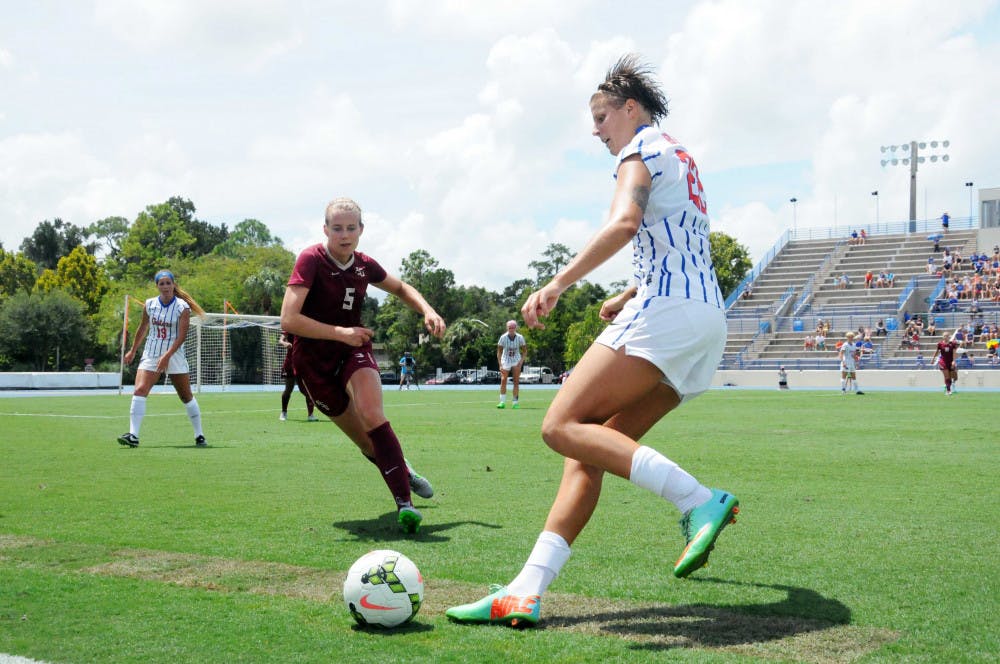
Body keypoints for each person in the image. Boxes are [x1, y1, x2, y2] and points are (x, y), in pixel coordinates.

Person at [446, 55, 739, 628]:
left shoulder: (641, 150)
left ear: (631, 110)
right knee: (588, 451)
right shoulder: (682, 155)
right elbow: (680, 243)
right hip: (705, 322)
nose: (597, 130)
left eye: (603, 116)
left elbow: (625, 223)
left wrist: (557, 283)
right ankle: (525, 591)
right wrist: (630, 291)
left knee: (558, 426)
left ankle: (697, 499)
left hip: (669, 314)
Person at [280, 197, 444, 533]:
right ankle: (405, 471)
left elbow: (400, 288)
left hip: (353, 350)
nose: (344, 234)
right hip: (313, 364)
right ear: (325, 230)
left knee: (373, 415)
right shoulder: (310, 260)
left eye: (351, 228)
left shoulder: (364, 265)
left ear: (361, 230)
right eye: (337, 228)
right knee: (368, 443)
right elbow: (289, 319)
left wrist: (427, 310)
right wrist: (339, 332)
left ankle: (405, 506)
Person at [117, 270, 208, 448]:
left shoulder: (183, 307)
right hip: (151, 353)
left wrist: (166, 356)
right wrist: (133, 350)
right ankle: (133, 435)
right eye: (162, 283)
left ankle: (199, 435)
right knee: (140, 390)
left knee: (186, 396)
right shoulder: (150, 304)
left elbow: (182, 336)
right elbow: (143, 328)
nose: (165, 287)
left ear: (174, 285)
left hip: (174, 355)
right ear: (157, 286)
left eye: (168, 283)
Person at [279, 331, 318, 422]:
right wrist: (284, 343)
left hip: (303, 363)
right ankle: (284, 412)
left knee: (307, 389)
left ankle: (310, 415)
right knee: (288, 389)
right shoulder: (291, 327)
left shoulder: (307, 329)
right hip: (290, 363)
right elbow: (281, 340)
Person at [496, 320, 527, 409]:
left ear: (515, 328)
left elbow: (525, 351)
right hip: (505, 359)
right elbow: (499, 352)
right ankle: (502, 402)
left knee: (516, 381)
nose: (511, 329)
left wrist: (521, 362)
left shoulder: (520, 337)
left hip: (516, 359)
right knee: (503, 379)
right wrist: (500, 364)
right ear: (507, 328)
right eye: (510, 328)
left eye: (513, 327)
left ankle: (515, 402)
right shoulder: (503, 337)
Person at [931, 329, 961, 395]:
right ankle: (948, 391)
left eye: (947, 336)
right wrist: (933, 359)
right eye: (945, 336)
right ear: (943, 337)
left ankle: (947, 386)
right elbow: (937, 352)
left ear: (949, 337)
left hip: (950, 362)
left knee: (953, 377)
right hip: (943, 361)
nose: (946, 337)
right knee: (947, 376)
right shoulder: (940, 344)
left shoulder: (952, 344)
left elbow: (954, 353)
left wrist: (953, 361)